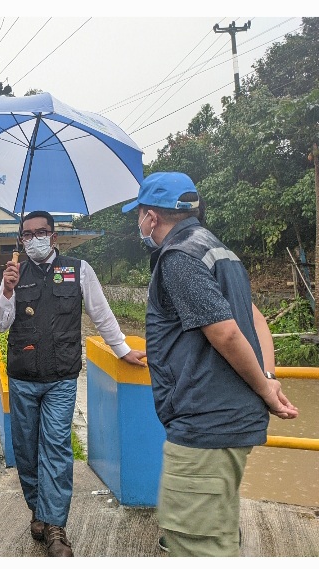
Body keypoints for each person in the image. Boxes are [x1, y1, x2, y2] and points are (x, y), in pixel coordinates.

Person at [122, 171, 298, 557]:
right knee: (216, 534)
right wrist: (267, 376)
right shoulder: (221, 252)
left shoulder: (179, 258)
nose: (139, 223)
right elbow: (255, 319)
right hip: (229, 422)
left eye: (139, 215)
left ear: (152, 217)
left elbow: (228, 334)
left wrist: (266, 388)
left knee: (197, 546)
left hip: (206, 423)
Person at [0, 210, 147, 557]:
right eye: (27, 235)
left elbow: (101, 314)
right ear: (21, 240)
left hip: (61, 378)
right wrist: (6, 290)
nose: (34, 239)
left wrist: (122, 349)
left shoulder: (78, 269)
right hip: (23, 378)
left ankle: (55, 526)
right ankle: (38, 510)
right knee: (27, 451)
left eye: (41, 232)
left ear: (54, 236)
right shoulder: (13, 274)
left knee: (57, 448)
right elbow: (0, 324)